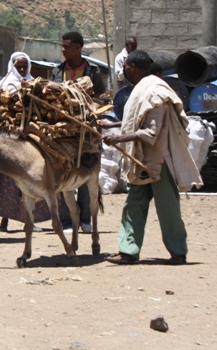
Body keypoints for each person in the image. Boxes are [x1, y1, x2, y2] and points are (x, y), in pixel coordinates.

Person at [102, 50, 203, 265]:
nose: (124, 71)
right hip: (140, 159)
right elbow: (136, 120)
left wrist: (119, 139)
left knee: (167, 206)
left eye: (126, 67)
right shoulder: (141, 89)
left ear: (133, 67)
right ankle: (128, 251)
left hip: (159, 160)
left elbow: (151, 133)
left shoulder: (155, 92)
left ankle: (178, 252)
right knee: (134, 203)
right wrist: (112, 125)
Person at [0, 52, 54, 232]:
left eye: (25, 66)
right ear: (12, 66)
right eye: (19, 66)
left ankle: (29, 221)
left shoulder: (35, 84)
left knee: (31, 178)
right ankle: (4, 221)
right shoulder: (3, 85)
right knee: (5, 179)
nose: (22, 69)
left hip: (29, 138)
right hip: (8, 139)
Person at [51, 31, 104, 234]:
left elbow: (99, 99)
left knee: (85, 170)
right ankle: (66, 220)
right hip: (61, 130)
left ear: (79, 48)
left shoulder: (93, 71)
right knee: (61, 170)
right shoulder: (57, 71)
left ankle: (85, 219)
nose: (63, 50)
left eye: (67, 47)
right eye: (62, 46)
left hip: (85, 129)